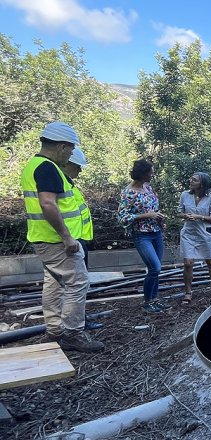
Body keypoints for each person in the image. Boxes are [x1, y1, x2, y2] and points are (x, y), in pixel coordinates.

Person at [20, 122, 103, 352]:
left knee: (54, 285)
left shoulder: (34, 166)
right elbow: (48, 204)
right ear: (62, 146)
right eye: (71, 148)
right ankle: (72, 334)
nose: (71, 154)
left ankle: (55, 330)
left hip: (44, 239)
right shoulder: (47, 167)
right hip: (56, 241)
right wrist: (67, 237)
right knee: (78, 283)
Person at [117, 159, 169, 314]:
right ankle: (148, 301)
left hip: (156, 233)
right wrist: (148, 215)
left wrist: (159, 220)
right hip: (142, 235)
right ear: (142, 174)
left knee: (156, 269)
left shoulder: (148, 188)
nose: (152, 175)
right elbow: (123, 217)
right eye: (150, 172)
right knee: (155, 267)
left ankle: (155, 299)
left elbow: (154, 208)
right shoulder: (128, 193)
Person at [60, 147, 103, 330]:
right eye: (78, 166)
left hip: (77, 240)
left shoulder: (68, 183)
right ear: (67, 163)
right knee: (74, 285)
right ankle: (74, 327)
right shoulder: (59, 182)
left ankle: (79, 320)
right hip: (70, 241)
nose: (80, 170)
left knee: (80, 284)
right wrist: (67, 238)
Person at [178, 172, 211, 303]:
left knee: (210, 262)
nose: (191, 181)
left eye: (194, 180)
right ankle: (188, 292)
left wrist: (199, 217)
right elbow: (179, 212)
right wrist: (185, 216)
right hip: (189, 233)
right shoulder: (185, 195)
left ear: (202, 183)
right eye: (191, 178)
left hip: (204, 233)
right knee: (188, 263)